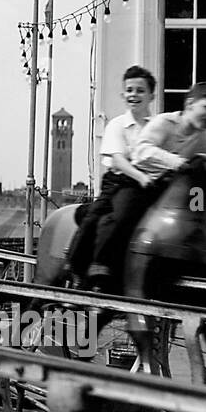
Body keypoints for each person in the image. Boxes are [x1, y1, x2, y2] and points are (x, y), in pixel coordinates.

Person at [87, 80, 206, 290]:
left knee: (200, 218)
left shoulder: (204, 135)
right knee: (124, 214)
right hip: (142, 181)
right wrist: (174, 161)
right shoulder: (165, 123)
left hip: (175, 189)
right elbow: (141, 151)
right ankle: (102, 267)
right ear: (190, 104)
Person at [66, 66, 157, 283]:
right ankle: (84, 263)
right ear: (123, 95)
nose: (134, 95)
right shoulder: (117, 125)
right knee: (102, 216)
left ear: (151, 95)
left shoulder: (157, 126)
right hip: (119, 180)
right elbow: (118, 160)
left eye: (140, 91)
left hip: (148, 183)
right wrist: (141, 177)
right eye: (130, 90)